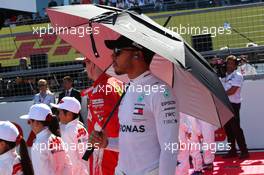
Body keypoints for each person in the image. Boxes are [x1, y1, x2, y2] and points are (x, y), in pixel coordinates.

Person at [90, 36, 179, 175]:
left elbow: (170, 148)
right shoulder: (128, 88)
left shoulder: (161, 91)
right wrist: (107, 143)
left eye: (118, 51)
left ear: (137, 54)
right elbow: (131, 139)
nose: (112, 55)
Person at [82, 57, 122, 175]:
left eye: (86, 63)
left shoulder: (101, 90)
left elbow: (110, 132)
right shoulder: (116, 82)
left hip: (107, 163)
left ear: (92, 63)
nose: (85, 68)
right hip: (117, 158)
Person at [20, 103, 73, 175]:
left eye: (29, 121)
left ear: (36, 123)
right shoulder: (57, 139)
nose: (29, 124)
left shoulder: (38, 145)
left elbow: (41, 172)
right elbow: (68, 166)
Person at [51, 96, 89, 175]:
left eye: (59, 112)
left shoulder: (67, 132)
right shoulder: (81, 127)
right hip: (84, 171)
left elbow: (72, 161)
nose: (58, 115)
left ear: (68, 114)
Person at [221, 55, 249, 159]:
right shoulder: (223, 75)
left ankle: (244, 151)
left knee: (236, 128)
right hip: (224, 104)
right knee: (228, 129)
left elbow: (233, 91)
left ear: (235, 65)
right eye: (228, 63)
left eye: (232, 63)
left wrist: (220, 94)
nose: (229, 65)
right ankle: (232, 151)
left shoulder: (238, 75)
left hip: (234, 104)